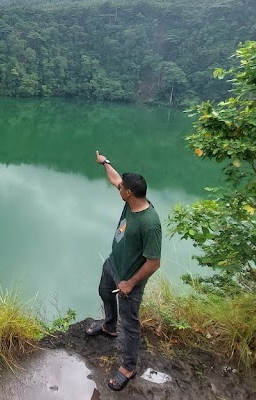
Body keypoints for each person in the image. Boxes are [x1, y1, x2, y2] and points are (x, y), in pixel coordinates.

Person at [85, 150, 163, 392]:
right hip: (114, 264)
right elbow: (115, 179)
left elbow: (154, 262)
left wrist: (130, 283)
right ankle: (109, 326)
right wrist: (105, 162)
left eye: (122, 189)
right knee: (104, 292)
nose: (119, 189)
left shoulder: (149, 223)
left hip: (130, 279)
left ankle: (128, 367)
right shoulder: (131, 201)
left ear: (129, 193)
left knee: (130, 324)